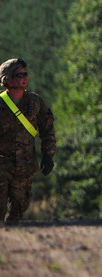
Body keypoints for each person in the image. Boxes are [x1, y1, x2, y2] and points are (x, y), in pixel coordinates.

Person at [0, 58, 56, 223]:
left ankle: (12, 242)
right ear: (7, 79)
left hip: (25, 167)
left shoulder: (35, 102)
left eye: (25, 74)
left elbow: (47, 128)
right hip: (1, 166)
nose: (25, 77)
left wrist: (48, 155)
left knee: (18, 210)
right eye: (19, 75)